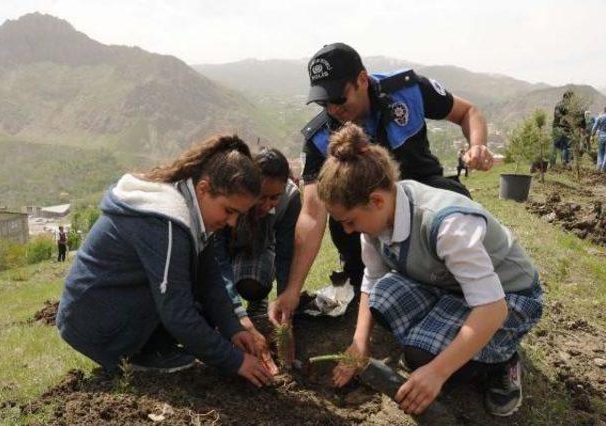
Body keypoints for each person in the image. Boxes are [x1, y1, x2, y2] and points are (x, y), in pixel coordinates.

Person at [318, 123, 542, 417]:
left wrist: (437, 371)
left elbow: (492, 307)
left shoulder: (447, 225)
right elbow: (371, 281)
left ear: (376, 201)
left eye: (349, 221)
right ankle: (451, 340)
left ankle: (503, 359)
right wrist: (359, 343)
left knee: (422, 355)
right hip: (452, 288)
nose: (347, 230)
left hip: (509, 297)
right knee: (382, 297)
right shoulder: (377, 219)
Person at [269, 42, 494, 332]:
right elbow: (312, 215)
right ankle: (370, 284)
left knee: (456, 204)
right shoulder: (319, 139)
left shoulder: (408, 90)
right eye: (325, 103)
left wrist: (477, 146)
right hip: (372, 221)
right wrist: (292, 289)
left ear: (362, 80)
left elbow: (468, 111)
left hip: (427, 201)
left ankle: (462, 287)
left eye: (339, 98)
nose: (334, 110)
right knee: (344, 221)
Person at [56, 134, 275, 388]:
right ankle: (131, 354)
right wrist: (236, 361)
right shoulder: (167, 221)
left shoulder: (192, 207)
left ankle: (150, 345)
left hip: (106, 307)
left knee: (188, 290)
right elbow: (178, 314)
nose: (232, 222)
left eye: (238, 214)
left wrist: (233, 328)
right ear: (204, 189)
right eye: (229, 211)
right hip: (94, 322)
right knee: (181, 298)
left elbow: (209, 279)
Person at [216, 147, 301, 323]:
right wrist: (236, 312)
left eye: (274, 198)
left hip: (259, 247)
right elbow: (218, 255)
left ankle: (257, 301)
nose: (266, 205)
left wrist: (284, 304)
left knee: (251, 284)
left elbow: (285, 255)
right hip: (225, 247)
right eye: (261, 197)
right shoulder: (234, 192)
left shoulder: (291, 199)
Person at [592, 107, 606, 172]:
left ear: (604, 110)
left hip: (601, 136)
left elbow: (595, 127)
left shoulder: (600, 117)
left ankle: (599, 167)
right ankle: (604, 167)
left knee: (600, 152)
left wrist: (592, 136)